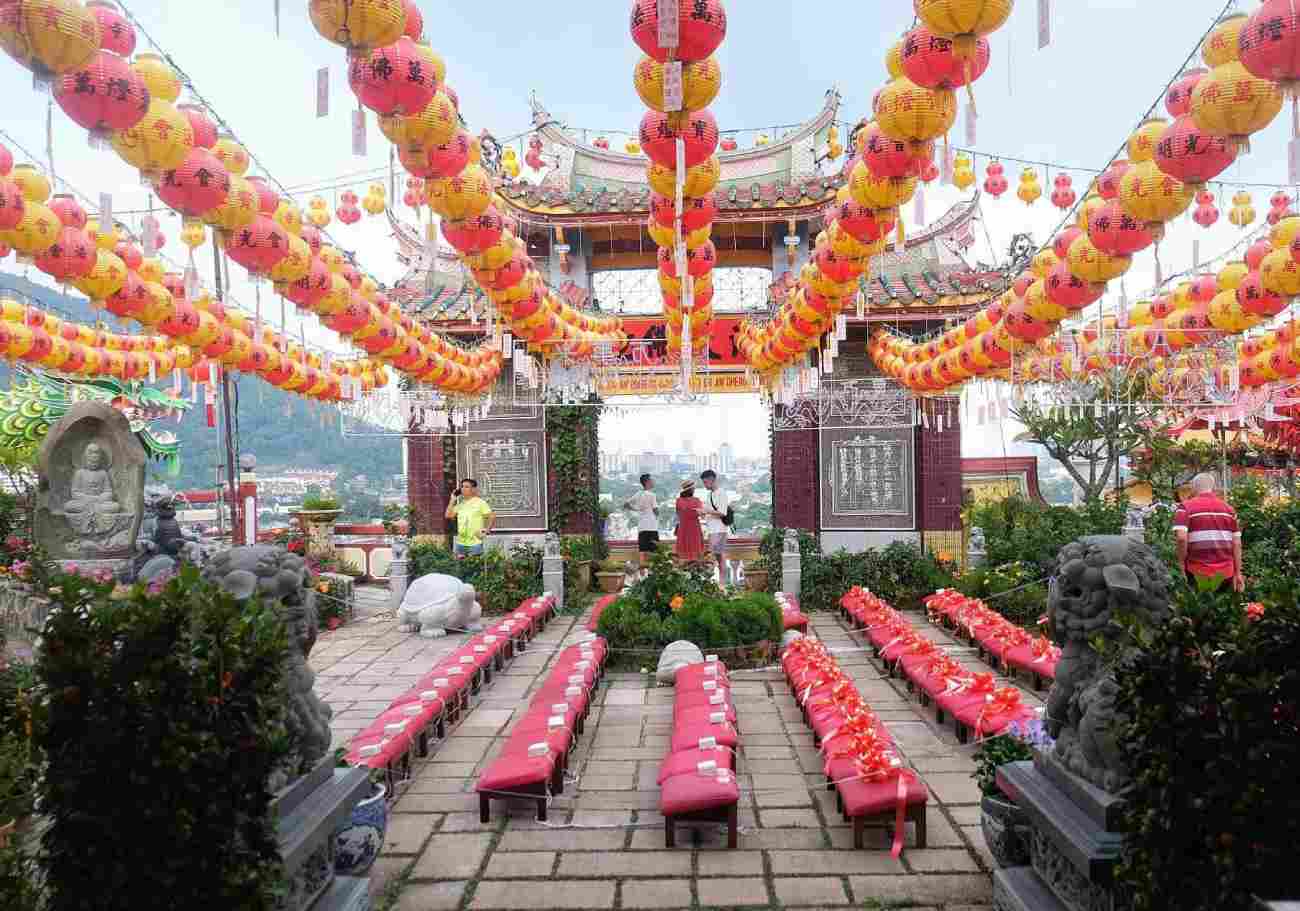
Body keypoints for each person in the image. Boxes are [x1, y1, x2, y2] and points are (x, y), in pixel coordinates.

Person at [1173, 472, 1243, 593]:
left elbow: (1181, 538)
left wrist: (1180, 565)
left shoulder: (1185, 507)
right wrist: (1238, 573)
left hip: (1197, 572)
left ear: (1193, 488)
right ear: (1213, 488)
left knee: (1198, 608)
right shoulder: (1229, 509)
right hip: (1226, 573)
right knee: (1221, 609)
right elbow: (1237, 543)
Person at [445, 478, 494, 558]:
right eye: (462, 487)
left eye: (466, 487)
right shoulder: (460, 504)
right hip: (461, 543)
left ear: (473, 489)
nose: (463, 489)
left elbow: (492, 516)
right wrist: (452, 500)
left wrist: (486, 531)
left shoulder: (480, 502)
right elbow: (448, 515)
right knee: (460, 568)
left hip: (475, 543)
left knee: (475, 567)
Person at [700, 469, 731, 582]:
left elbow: (722, 512)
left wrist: (706, 511)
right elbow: (712, 511)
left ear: (711, 480)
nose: (704, 485)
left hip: (719, 529)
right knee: (718, 556)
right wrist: (704, 513)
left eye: (705, 482)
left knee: (717, 557)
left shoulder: (721, 493)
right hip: (712, 529)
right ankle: (721, 583)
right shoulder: (711, 494)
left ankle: (721, 583)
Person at [623, 473, 659, 570]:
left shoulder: (638, 494)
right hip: (651, 526)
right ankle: (653, 572)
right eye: (652, 480)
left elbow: (626, 504)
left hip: (642, 527)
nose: (653, 482)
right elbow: (656, 510)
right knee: (654, 552)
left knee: (643, 551)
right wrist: (656, 514)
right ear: (647, 482)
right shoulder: (652, 495)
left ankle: (643, 572)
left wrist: (636, 509)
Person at [674, 479, 706, 565]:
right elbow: (702, 514)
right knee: (695, 553)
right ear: (691, 489)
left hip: (683, 528)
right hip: (694, 528)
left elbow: (678, 514)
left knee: (683, 555)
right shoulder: (697, 501)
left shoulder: (679, 501)